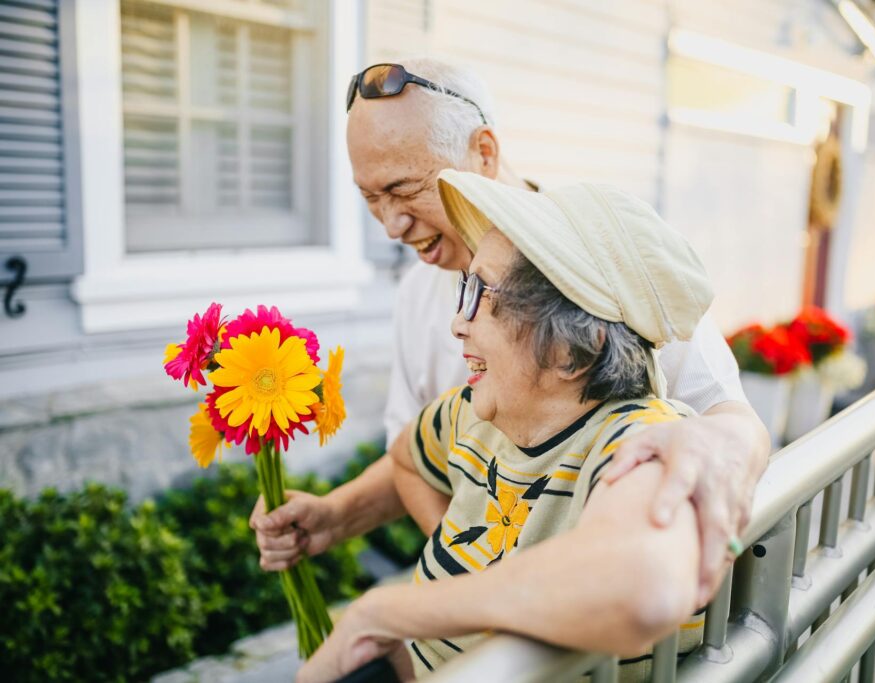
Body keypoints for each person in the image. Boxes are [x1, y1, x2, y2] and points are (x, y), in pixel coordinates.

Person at [251, 58, 769, 609]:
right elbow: (420, 450)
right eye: (370, 198)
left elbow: (728, 418)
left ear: (485, 153)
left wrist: (725, 449)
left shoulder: (599, 260)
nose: (391, 225)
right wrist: (340, 517)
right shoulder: (416, 293)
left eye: (403, 189)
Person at [297, 169, 720, 682]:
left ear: (572, 350)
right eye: (463, 288)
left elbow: (642, 591)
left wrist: (380, 613)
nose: (459, 321)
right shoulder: (471, 415)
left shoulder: (637, 441)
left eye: (484, 294)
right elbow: (407, 460)